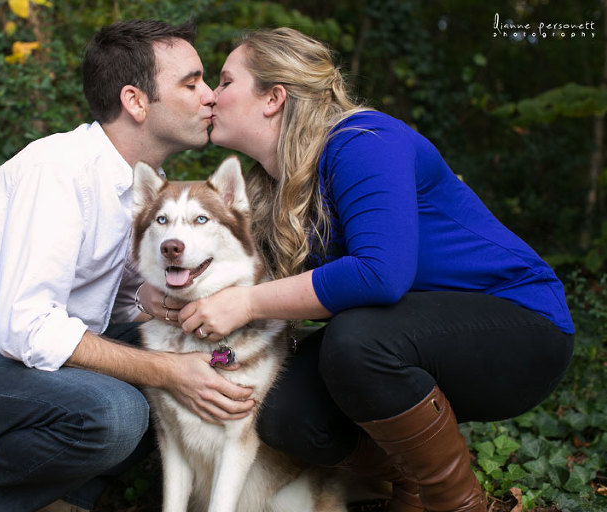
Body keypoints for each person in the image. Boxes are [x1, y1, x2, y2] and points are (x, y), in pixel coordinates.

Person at [155, 27, 575, 512]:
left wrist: (247, 302)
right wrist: (162, 301)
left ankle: (459, 504)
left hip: (520, 327)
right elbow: (236, 287)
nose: (211, 95)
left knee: (356, 341)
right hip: (408, 336)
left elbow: (380, 273)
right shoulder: (268, 189)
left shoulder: (363, 141)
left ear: (273, 98)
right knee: (283, 412)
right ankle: (412, 480)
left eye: (226, 82)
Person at [0, 20, 256, 512]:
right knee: (116, 413)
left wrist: (156, 303)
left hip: (23, 362)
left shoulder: (139, 182)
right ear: (135, 101)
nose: (210, 95)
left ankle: (59, 498)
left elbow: (109, 300)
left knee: (189, 349)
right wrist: (169, 371)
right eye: (191, 83)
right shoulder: (58, 173)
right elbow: (27, 329)